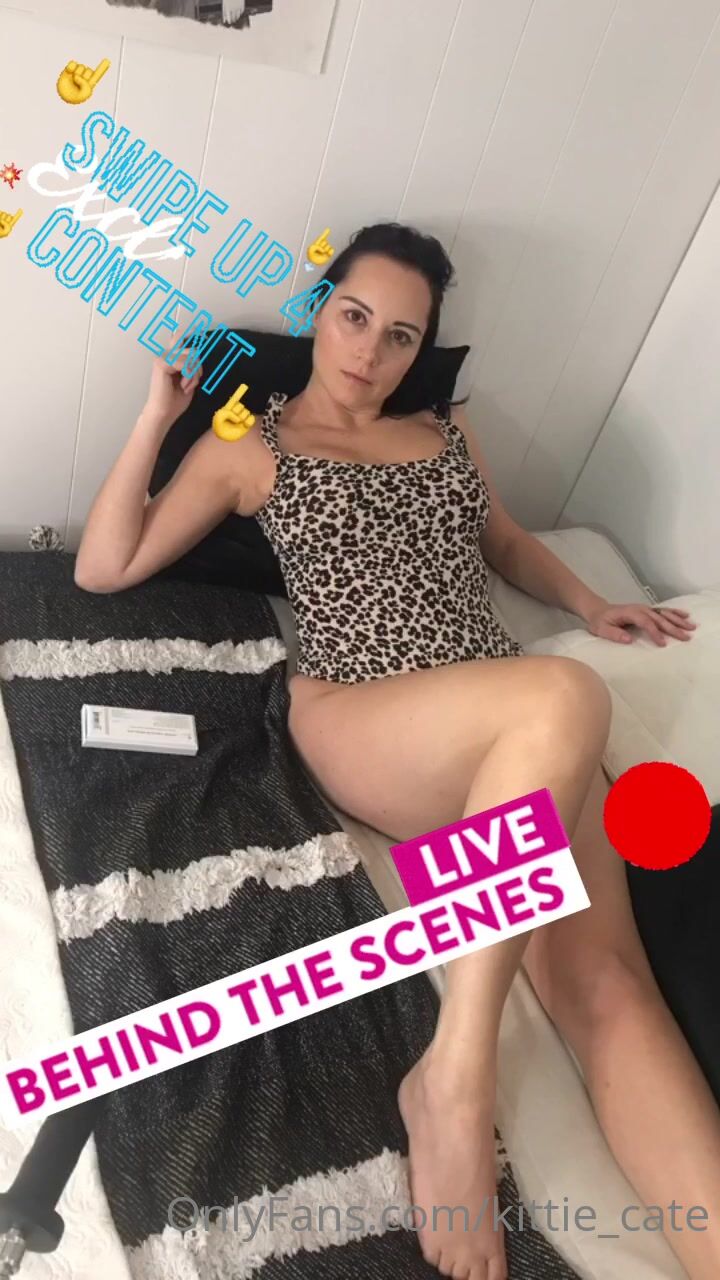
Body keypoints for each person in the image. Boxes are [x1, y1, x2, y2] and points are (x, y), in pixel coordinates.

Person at [74, 221, 720, 1280]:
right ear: (318, 314)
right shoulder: (253, 446)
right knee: (568, 692)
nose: (369, 351)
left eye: (400, 335)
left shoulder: (446, 432)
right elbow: (106, 567)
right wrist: (157, 420)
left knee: (610, 989)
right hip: (366, 718)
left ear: (421, 351)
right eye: (354, 317)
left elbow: (505, 542)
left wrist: (589, 601)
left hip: (512, 746)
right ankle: (453, 1078)